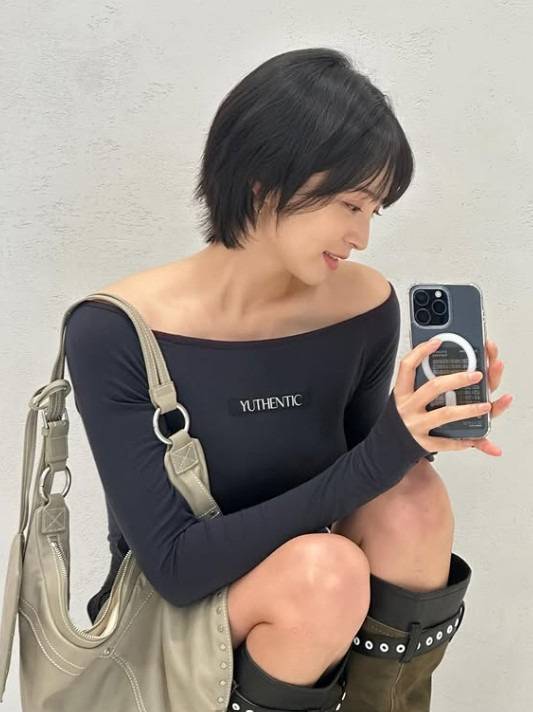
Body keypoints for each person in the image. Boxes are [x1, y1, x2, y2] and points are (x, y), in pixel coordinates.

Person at [64, 47, 510, 712]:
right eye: (349, 205)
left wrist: (417, 432)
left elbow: (364, 481)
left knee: (413, 499)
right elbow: (175, 568)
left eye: (374, 211)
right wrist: (386, 451)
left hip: (306, 600)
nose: (361, 237)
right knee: (324, 574)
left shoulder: (361, 308)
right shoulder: (115, 329)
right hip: (168, 623)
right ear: (264, 183)